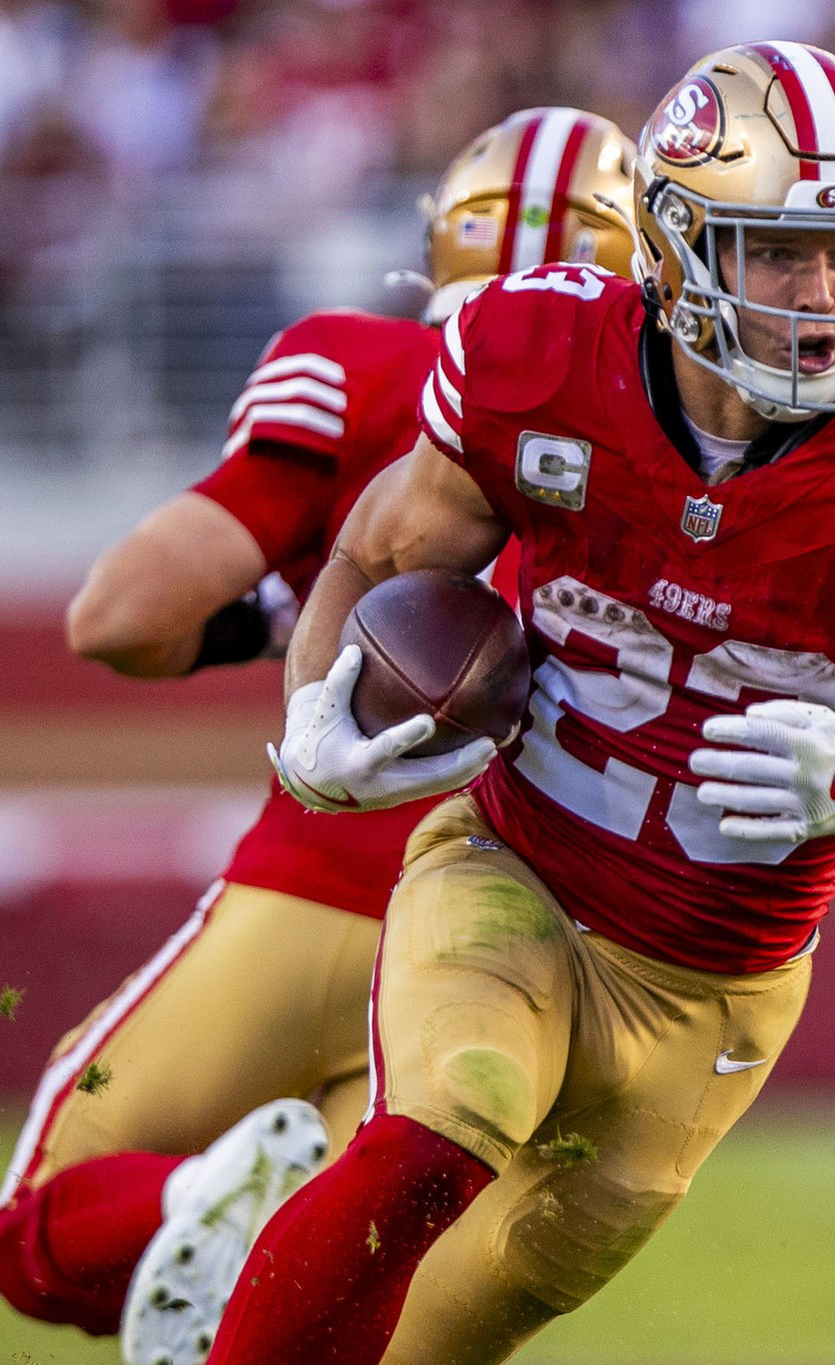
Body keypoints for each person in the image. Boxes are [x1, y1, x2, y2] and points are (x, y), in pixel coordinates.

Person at [201, 40, 835, 1365]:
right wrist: (312, 709)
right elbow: (381, 554)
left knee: (458, 1322)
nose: (827, 293)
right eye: (780, 251)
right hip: (516, 869)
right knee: (444, 1124)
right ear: (677, 246)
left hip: (718, 981)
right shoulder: (539, 355)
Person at [0, 106, 638, 1365]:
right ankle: (246, 1225)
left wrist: (292, 604)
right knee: (337, 1320)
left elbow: (122, 617)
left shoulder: (364, 366)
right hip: (528, 948)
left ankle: (201, 1203)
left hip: (316, 883)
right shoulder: (684, 434)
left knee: (37, 1235)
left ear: (446, 243)